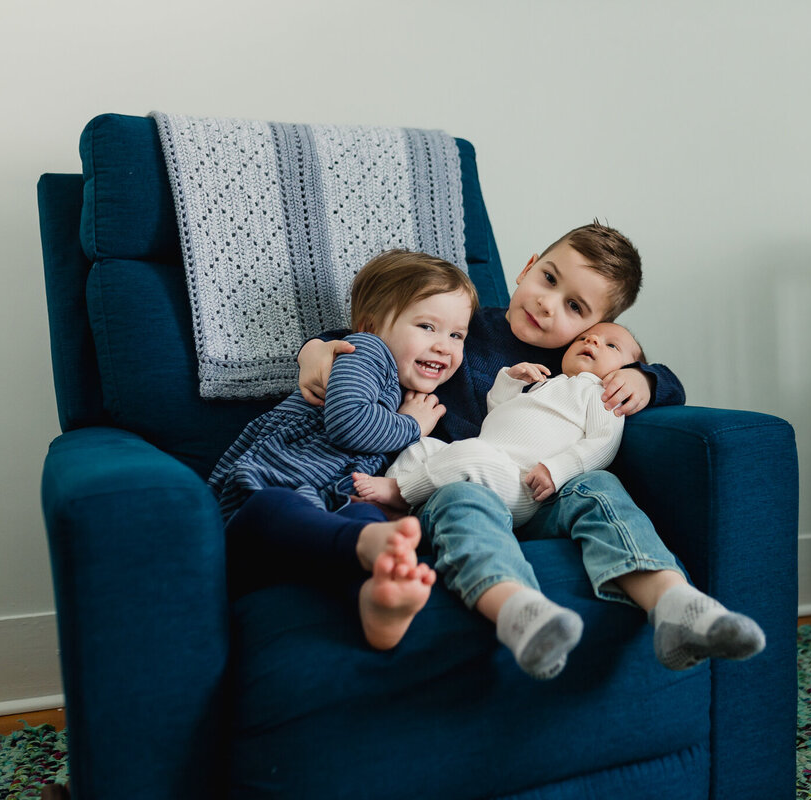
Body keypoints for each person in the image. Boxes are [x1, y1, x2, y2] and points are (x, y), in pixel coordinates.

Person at [298, 222, 764, 679]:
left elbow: (663, 379)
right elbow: (375, 329)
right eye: (549, 278)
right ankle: (521, 613)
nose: (547, 304)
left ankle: (673, 602)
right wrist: (315, 350)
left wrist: (647, 378)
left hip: (535, 492)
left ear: (595, 326)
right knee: (462, 501)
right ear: (527, 267)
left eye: (575, 307)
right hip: (448, 481)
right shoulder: (462, 322)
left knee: (599, 485)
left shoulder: (574, 363)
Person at [209, 249, 477, 650]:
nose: (444, 346)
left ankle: (377, 600)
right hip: (271, 489)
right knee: (279, 510)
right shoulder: (366, 353)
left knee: (370, 527)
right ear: (370, 326)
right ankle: (363, 542)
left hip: (328, 505)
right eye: (427, 326)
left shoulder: (407, 389)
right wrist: (412, 425)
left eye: (456, 335)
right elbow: (348, 422)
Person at [352, 321, 644, 525]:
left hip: (521, 484)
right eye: (584, 338)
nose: (591, 341)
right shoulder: (547, 383)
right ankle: (390, 515)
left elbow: (604, 443)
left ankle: (399, 492)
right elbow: (498, 416)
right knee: (423, 447)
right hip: (486, 458)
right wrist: (510, 381)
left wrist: (558, 470)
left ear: (628, 370)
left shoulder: (600, 394)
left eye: (611, 345)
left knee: (470, 454)